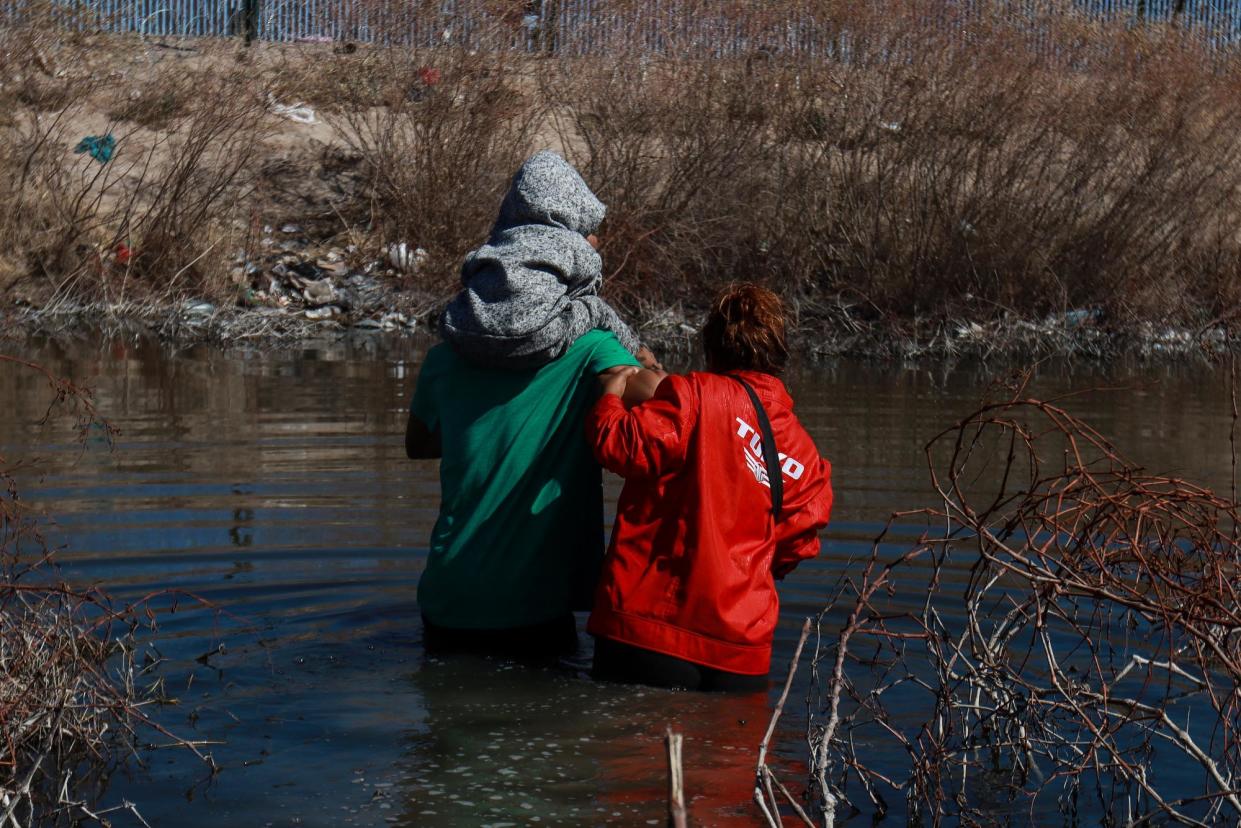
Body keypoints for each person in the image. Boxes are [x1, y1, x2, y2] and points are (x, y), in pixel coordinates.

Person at [406, 152, 663, 659]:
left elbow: (420, 444)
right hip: (533, 608)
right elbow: (667, 401)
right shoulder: (592, 351)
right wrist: (625, 345)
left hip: (446, 599)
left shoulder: (446, 353)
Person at [584, 284, 833, 690]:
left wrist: (610, 397)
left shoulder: (692, 396)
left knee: (631, 751)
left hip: (648, 630)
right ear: (779, 354)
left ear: (712, 346)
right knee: (731, 753)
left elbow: (620, 445)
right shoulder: (804, 453)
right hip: (740, 649)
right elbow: (795, 545)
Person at [439, 150, 646, 370]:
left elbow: (469, 270)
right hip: (536, 338)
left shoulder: (499, 241)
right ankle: (636, 351)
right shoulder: (572, 244)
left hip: (465, 332)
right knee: (594, 306)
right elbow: (587, 286)